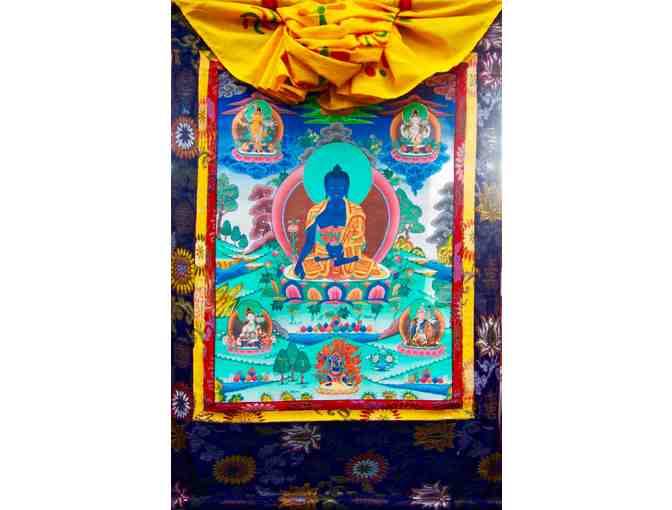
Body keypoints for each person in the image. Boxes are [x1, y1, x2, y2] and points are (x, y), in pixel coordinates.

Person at [293, 165, 384, 280]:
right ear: (326, 188)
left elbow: (360, 241)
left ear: (346, 189)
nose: (336, 190)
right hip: (322, 260)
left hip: (349, 261)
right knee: (305, 268)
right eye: (332, 187)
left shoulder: (355, 212)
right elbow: (309, 242)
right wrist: (299, 263)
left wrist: (341, 247)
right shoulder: (315, 212)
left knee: (369, 268)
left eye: (340, 187)